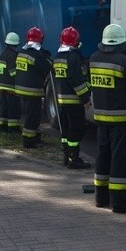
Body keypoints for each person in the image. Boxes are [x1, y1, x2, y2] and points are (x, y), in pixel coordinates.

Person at [89, 24, 126, 213]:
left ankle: (101, 197)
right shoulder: (124, 63)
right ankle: (120, 202)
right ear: (122, 43)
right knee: (120, 160)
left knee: (103, 156)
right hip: (121, 121)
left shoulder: (93, 59)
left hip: (101, 118)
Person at [53, 26, 92, 169]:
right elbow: (76, 80)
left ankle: (66, 155)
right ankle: (74, 159)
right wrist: (86, 99)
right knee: (76, 130)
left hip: (61, 99)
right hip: (74, 100)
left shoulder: (58, 57)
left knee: (66, 129)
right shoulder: (73, 57)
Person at [15, 27, 52, 149]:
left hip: (21, 89)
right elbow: (47, 67)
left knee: (30, 115)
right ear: (40, 39)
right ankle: (28, 142)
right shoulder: (37, 55)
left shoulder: (22, 52)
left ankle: (35, 138)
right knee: (33, 117)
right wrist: (47, 58)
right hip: (32, 91)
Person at [0, 32, 22, 134]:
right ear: (16, 44)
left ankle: (3, 128)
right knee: (13, 108)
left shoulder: (3, 53)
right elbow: (13, 72)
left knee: (4, 108)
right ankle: (13, 130)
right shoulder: (13, 55)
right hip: (9, 87)